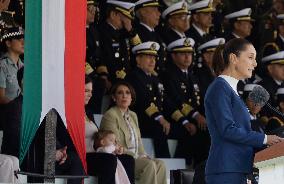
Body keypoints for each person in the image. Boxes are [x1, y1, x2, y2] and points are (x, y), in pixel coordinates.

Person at [204, 38, 284, 184]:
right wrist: (265, 139)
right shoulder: (220, 88)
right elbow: (227, 130)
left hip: (238, 168)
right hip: (226, 170)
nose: (255, 64)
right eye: (250, 57)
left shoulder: (231, 89)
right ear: (233, 58)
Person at [100, 80, 167, 184]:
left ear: (131, 98)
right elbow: (116, 144)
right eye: (120, 93)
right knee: (149, 165)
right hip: (123, 157)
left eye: (127, 93)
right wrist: (137, 156)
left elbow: (138, 141)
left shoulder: (133, 115)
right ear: (114, 97)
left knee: (161, 164)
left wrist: (143, 154)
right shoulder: (110, 115)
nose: (124, 96)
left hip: (136, 157)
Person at [84, 75, 135, 184]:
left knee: (128, 160)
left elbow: (97, 139)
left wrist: (113, 147)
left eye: (91, 91)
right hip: (83, 156)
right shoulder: (71, 112)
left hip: (95, 153)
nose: (90, 94)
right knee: (109, 160)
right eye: (86, 90)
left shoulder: (88, 112)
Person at [126, 41, 172, 158]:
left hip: (154, 119)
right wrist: (160, 118)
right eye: (148, 57)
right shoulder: (134, 76)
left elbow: (166, 101)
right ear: (138, 59)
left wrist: (184, 120)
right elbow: (143, 101)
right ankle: (165, 163)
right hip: (139, 119)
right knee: (159, 128)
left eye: (154, 58)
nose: (152, 61)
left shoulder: (155, 79)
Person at [0, 26, 24, 129]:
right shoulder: (2, 65)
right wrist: (19, 107)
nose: (23, 42)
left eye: (24, 39)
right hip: (7, 118)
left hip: (22, 117)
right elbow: (1, 97)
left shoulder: (24, 66)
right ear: (8, 43)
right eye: (19, 39)